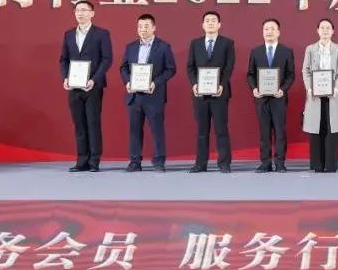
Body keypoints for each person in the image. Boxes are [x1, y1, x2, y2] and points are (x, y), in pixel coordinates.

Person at [59, 0, 112, 172]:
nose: (80, 13)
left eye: (84, 10)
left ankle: (94, 160)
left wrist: (94, 80)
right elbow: (64, 60)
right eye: (77, 10)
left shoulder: (101, 34)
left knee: (92, 122)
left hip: (92, 86)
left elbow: (107, 59)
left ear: (92, 13)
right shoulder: (68, 34)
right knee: (79, 124)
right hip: (74, 87)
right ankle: (81, 160)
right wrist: (65, 78)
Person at [119, 13, 176, 172]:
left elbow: (171, 69)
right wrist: (128, 82)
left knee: (157, 130)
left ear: (154, 28)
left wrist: (155, 83)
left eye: (146, 26)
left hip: (154, 95)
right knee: (134, 130)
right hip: (134, 96)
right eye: (140, 26)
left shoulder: (163, 47)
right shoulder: (130, 47)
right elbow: (123, 67)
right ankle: (135, 161)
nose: (142, 29)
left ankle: (159, 161)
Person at [186, 11, 235, 173]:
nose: (210, 23)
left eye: (214, 20)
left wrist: (222, 85)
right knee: (202, 131)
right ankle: (200, 164)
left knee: (221, 130)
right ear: (203, 25)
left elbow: (229, 67)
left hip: (219, 93)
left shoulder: (227, 43)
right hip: (200, 95)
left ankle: (224, 163)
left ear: (219, 25)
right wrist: (194, 84)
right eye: (207, 20)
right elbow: (190, 67)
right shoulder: (195, 43)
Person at [247, 18, 296, 172]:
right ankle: (265, 163)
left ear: (278, 32)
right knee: (264, 132)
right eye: (266, 29)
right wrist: (254, 88)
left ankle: (280, 162)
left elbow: (291, 75)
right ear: (263, 32)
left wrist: (283, 89)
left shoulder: (286, 51)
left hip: (279, 98)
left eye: (272, 29)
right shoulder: (256, 52)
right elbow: (250, 74)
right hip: (261, 99)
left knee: (280, 132)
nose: (269, 32)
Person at [301, 18, 338, 172]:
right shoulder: (310, 49)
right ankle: (317, 165)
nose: (325, 30)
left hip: (333, 95)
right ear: (317, 31)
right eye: (322, 28)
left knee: (332, 128)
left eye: (328, 28)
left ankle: (330, 165)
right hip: (315, 95)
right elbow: (305, 70)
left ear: (333, 31)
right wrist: (309, 88)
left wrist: (336, 87)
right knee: (316, 127)